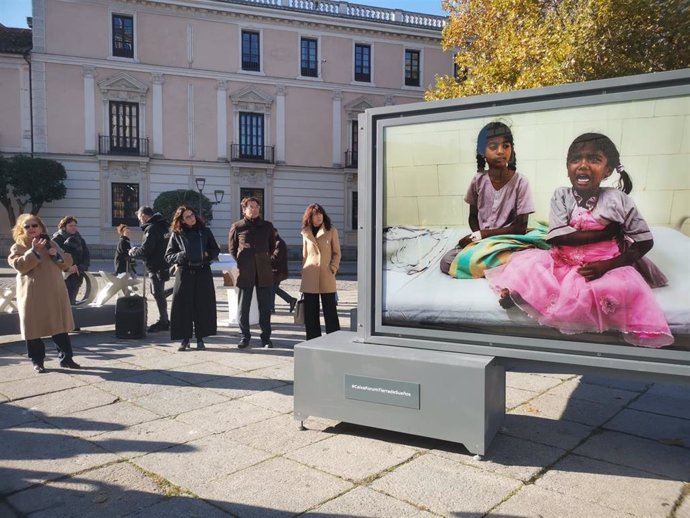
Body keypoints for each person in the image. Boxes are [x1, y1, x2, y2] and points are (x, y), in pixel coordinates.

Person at [485, 133, 673, 348]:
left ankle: (534, 299)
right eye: (576, 159)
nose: (583, 165)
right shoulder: (561, 196)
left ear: (608, 170)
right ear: (567, 168)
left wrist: (607, 266)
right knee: (530, 271)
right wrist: (605, 233)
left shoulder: (618, 200)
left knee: (611, 289)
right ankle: (522, 296)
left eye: (594, 159)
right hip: (562, 259)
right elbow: (559, 236)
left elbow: (644, 241)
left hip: (603, 264)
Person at [440, 121, 536, 278]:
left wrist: (482, 235)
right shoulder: (478, 181)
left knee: (533, 257)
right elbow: (472, 216)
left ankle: (492, 264)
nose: (500, 151)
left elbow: (521, 228)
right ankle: (501, 267)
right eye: (493, 146)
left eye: (506, 146)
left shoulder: (521, 182)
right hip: (484, 243)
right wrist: (477, 239)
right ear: (482, 151)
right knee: (446, 262)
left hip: (508, 241)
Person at [8, 214, 81, 373]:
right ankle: (38, 361)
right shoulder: (18, 247)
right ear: (21, 230)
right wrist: (33, 251)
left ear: (41, 227)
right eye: (27, 226)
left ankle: (66, 359)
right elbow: (20, 266)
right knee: (33, 328)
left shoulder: (51, 243)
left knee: (59, 327)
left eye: (34, 225)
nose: (31, 229)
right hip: (32, 295)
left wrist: (56, 255)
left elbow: (66, 264)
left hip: (55, 292)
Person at [165, 206, 220, 351]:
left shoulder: (204, 231)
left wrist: (206, 255)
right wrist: (182, 255)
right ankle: (185, 339)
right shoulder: (177, 234)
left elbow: (215, 249)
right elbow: (168, 255)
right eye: (187, 217)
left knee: (202, 306)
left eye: (192, 215)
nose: (192, 218)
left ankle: (201, 338)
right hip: (184, 272)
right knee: (183, 306)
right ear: (181, 220)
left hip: (202, 272)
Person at [228, 197, 276, 349]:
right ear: (244, 209)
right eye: (251, 207)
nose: (254, 209)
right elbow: (232, 249)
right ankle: (245, 336)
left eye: (256, 206)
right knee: (243, 307)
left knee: (265, 307)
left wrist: (268, 260)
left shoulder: (267, 226)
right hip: (246, 272)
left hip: (264, 271)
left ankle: (266, 337)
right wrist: (242, 261)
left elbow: (272, 246)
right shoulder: (237, 226)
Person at [300, 203, 341, 340]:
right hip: (310, 275)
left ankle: (334, 340)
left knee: (330, 312)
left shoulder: (331, 231)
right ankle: (313, 341)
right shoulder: (305, 232)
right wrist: (304, 273)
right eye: (315, 214)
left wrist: (332, 269)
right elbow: (305, 255)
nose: (318, 217)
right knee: (311, 313)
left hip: (326, 275)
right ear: (309, 217)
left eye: (320, 213)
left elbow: (337, 253)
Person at [129, 206, 171, 332]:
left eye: (139, 218)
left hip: (156, 266)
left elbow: (147, 249)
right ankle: (164, 319)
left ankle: (164, 321)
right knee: (158, 293)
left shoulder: (152, 228)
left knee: (158, 293)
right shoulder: (162, 225)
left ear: (144, 216)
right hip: (163, 264)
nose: (140, 221)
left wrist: (133, 252)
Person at [52, 215, 90, 304]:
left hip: (76, 275)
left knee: (71, 301)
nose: (74, 228)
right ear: (63, 227)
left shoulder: (80, 239)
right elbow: (54, 258)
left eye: (75, 225)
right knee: (61, 303)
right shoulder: (56, 240)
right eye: (70, 226)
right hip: (62, 276)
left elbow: (86, 256)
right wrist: (67, 268)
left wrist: (80, 267)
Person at [271, 229, 297, 313]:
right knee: (274, 289)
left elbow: (276, 257)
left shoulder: (279, 243)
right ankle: (291, 300)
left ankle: (271, 308)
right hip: (275, 271)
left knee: (271, 289)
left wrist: (265, 258)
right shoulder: (274, 242)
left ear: (275, 233)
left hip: (278, 271)